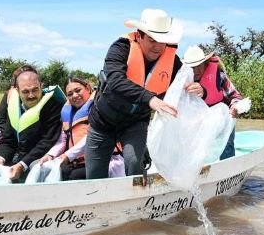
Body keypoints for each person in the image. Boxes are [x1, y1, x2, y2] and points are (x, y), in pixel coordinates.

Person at [84, 9, 202, 179]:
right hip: (103, 122)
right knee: (94, 176)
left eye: (163, 42)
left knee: (134, 164)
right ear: (139, 36)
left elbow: (186, 83)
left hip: (135, 123)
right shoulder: (120, 48)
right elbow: (115, 80)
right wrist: (150, 99)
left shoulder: (172, 61)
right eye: (152, 40)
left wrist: (200, 90)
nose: (158, 47)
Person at [39, 77, 124, 180]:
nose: (75, 96)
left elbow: (93, 137)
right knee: (47, 170)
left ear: (87, 88)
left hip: (108, 161)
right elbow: (62, 141)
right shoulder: (68, 113)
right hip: (79, 163)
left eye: (78, 90)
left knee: (70, 177)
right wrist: (50, 155)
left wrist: (67, 156)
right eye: (70, 94)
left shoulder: (100, 107)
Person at [0, 67, 64, 181]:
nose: (31, 95)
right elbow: (8, 139)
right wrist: (0, 157)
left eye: (35, 90)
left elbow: (47, 142)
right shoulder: (15, 108)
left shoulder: (53, 106)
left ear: (41, 86)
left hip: (42, 157)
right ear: (17, 91)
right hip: (20, 156)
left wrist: (22, 164)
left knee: (36, 167)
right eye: (25, 91)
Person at [182, 46, 245, 160]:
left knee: (227, 147)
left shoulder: (218, 75)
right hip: (197, 123)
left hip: (222, 120)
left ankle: (227, 166)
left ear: (205, 63)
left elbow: (235, 95)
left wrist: (235, 106)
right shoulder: (182, 80)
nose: (196, 71)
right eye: (192, 67)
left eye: (199, 66)